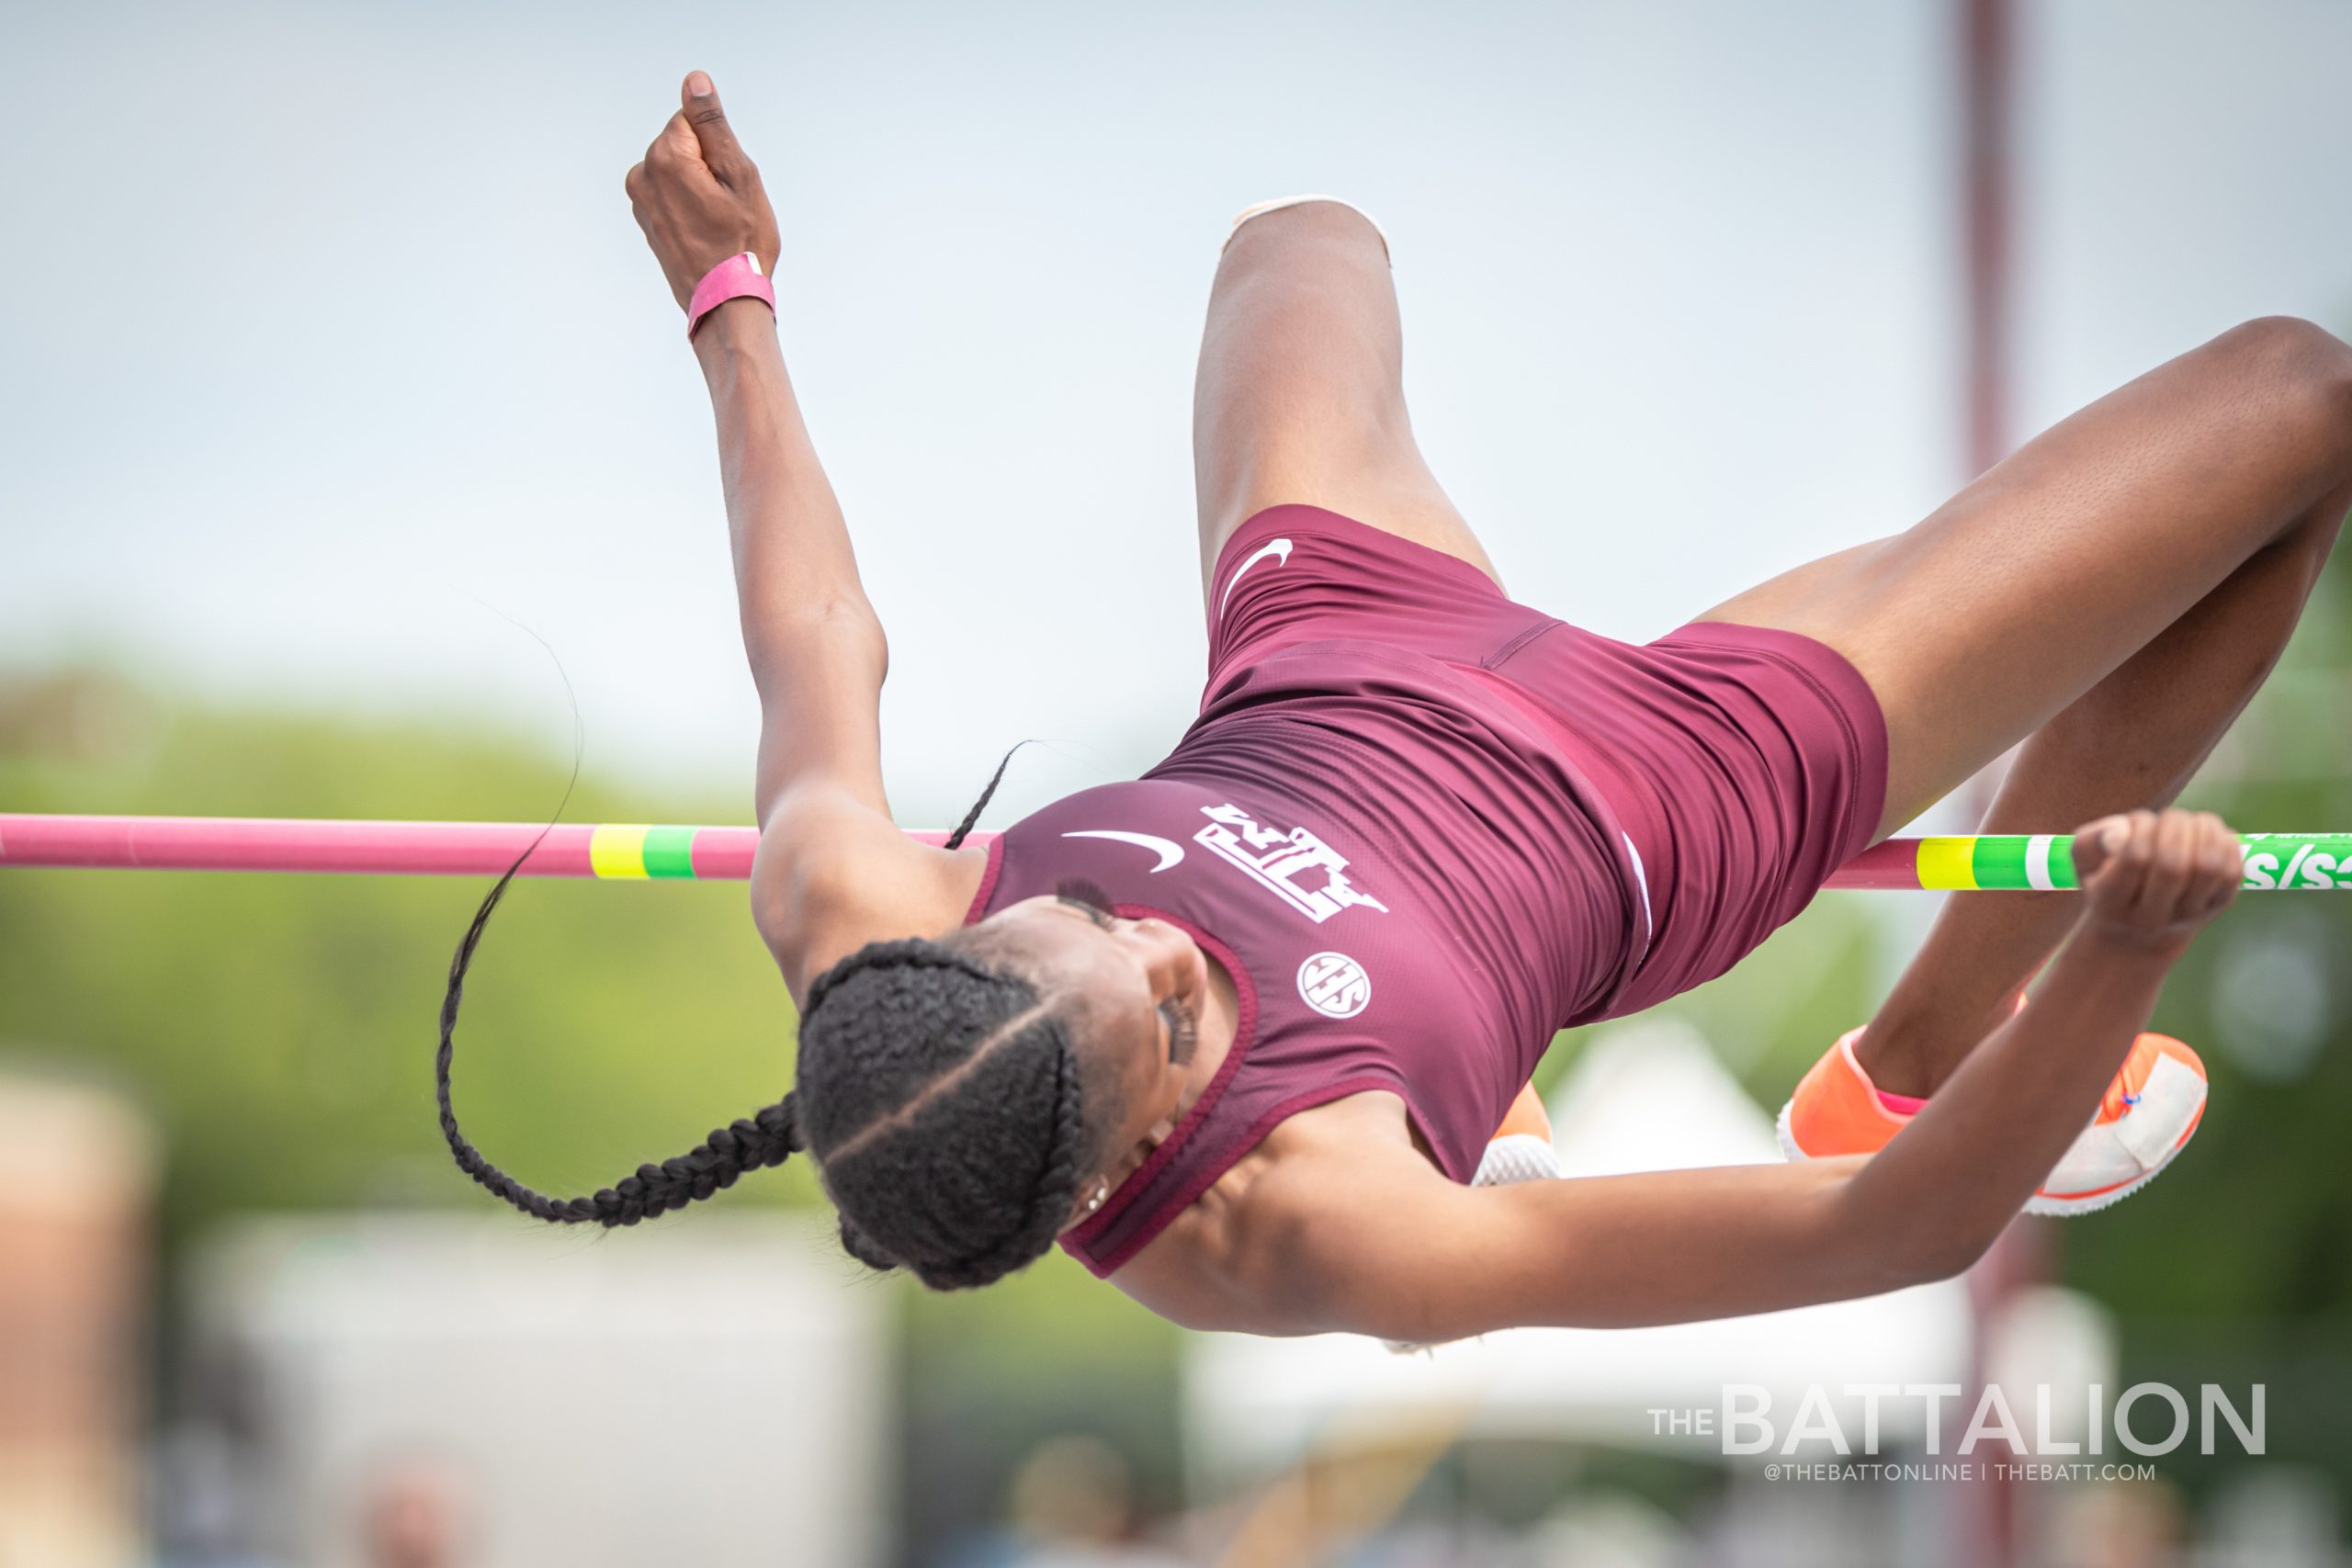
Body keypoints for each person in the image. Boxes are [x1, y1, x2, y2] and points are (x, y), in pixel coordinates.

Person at [437, 73, 2339, 1343]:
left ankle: (1483, 1079)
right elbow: (1887, 1239)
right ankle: (1907, 1049)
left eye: (1079, 903)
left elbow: (817, 627)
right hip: (1661, 783)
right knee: (2291, 404)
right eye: (1161, 980)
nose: (1155, 920)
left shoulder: (860, 925)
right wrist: (2117, 941)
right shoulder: (1320, 1222)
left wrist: (729, 300)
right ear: (1156, 1117)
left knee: (1298, 240)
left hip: (1337, 636)